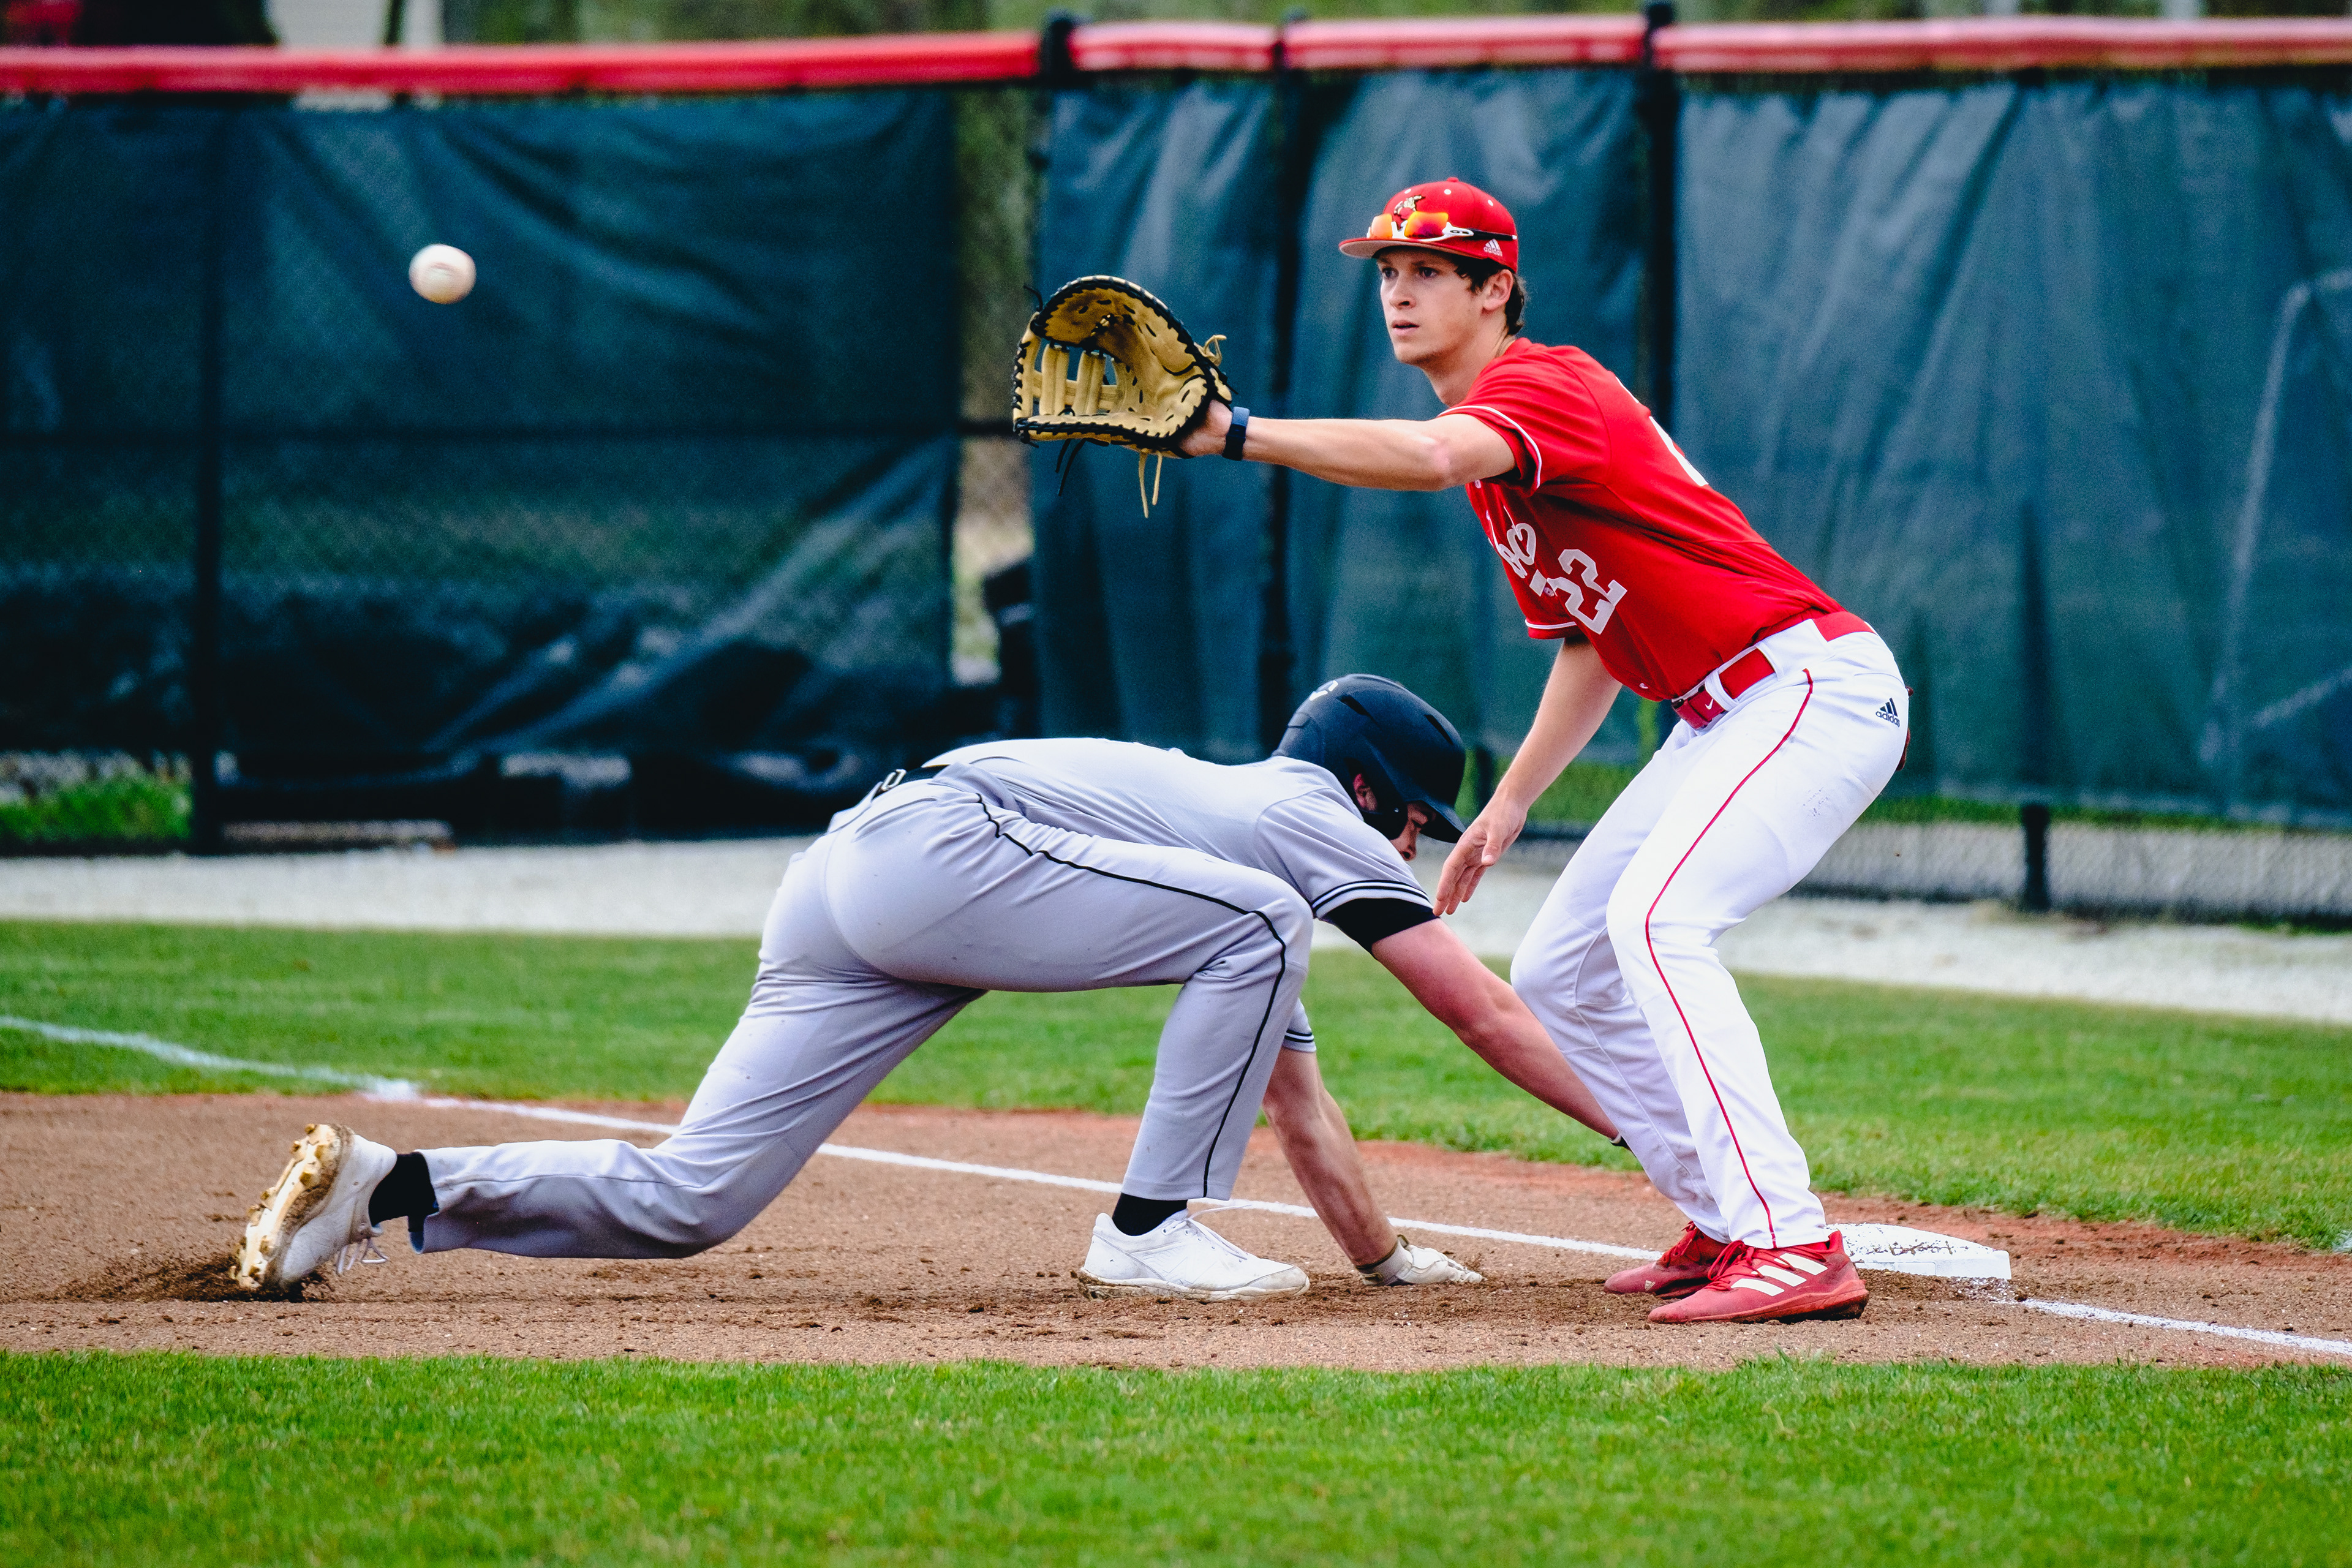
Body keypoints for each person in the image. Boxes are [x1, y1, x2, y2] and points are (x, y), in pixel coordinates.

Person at [236, 675, 1620, 1302]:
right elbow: (1480, 1009)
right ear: (1368, 785)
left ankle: (388, 1184)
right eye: (1412, 820)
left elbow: (1297, 1099)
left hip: (857, 870)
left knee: (692, 1199)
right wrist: (1650, 1122)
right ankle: (1146, 1230)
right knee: (1263, 923)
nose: (1405, 847)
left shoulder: (1226, 863)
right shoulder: (1301, 815)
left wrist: (1384, 1264)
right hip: (951, 846)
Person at [1177, 178, 1909, 1325]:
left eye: (1430, 271)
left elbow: (1426, 457)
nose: (1400, 294)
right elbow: (1593, 646)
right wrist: (1506, 807)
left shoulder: (1543, 384)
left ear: (1496, 288)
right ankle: (1724, 1220)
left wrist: (1233, 434)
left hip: (1807, 686)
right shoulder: (1501, 464)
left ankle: (1792, 1241)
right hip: (1723, 711)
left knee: (1658, 926)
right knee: (1562, 967)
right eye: (1387, 273)